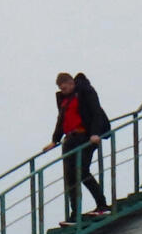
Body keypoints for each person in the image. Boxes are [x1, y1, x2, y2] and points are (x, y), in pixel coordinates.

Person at [42, 71, 111, 225]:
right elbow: (61, 119)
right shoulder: (64, 100)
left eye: (65, 88)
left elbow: (96, 112)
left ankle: (102, 205)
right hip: (69, 140)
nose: (63, 91)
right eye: (61, 88)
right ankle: (75, 215)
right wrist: (55, 140)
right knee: (70, 178)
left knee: (83, 172)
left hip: (84, 136)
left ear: (72, 83)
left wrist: (94, 133)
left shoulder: (85, 92)